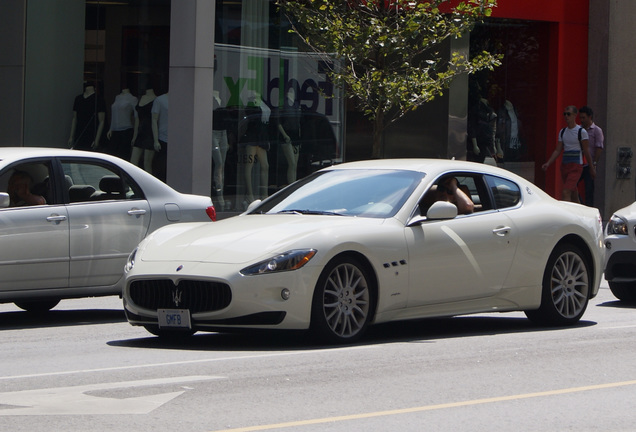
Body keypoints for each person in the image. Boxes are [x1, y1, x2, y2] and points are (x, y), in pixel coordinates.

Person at [542, 105, 596, 203]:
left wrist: (591, 167)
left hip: (576, 166)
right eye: (565, 114)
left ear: (575, 115)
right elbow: (557, 150)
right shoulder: (562, 132)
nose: (566, 116)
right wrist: (548, 163)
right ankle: (581, 214)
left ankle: (567, 215)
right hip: (565, 166)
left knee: (566, 192)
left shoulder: (581, 132)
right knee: (574, 194)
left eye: (568, 114)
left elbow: (586, 150)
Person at [577, 106, 604, 206]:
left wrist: (594, 163)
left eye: (584, 118)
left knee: (589, 189)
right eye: (581, 118)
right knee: (572, 185)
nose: (582, 120)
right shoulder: (579, 129)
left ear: (590, 117)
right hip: (579, 162)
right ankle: (581, 204)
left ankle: (589, 208)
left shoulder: (597, 130)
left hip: (589, 164)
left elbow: (599, 147)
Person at [68, 82, 106, 150]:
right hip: (79, 134)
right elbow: (74, 118)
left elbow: (102, 121)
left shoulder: (99, 100)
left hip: (92, 134)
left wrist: (97, 140)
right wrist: (71, 137)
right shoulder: (78, 99)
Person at [131, 88, 157, 174]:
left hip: (150, 133)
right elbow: (137, 120)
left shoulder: (156, 100)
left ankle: (150, 185)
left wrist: (156, 139)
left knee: (147, 163)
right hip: (140, 133)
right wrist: (134, 136)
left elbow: (155, 119)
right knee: (133, 162)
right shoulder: (141, 98)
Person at [107, 88, 137, 160]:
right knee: (112, 156)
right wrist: (111, 128)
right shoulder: (117, 97)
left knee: (123, 156)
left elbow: (137, 117)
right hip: (115, 131)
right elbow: (114, 114)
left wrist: (135, 135)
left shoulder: (133, 99)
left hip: (126, 131)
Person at [151, 91, 169, 182]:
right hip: (163, 139)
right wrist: (156, 140)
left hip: (177, 140)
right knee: (162, 167)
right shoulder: (160, 100)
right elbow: (154, 119)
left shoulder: (181, 100)